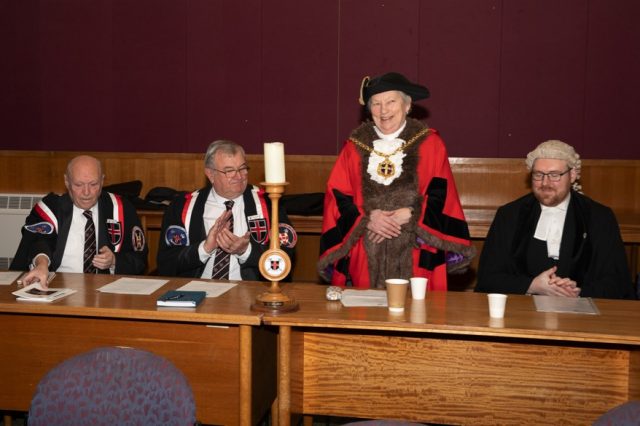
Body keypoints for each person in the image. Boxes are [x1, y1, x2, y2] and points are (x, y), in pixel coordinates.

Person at [317, 72, 475, 289]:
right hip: (365, 248)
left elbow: (442, 194)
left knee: (419, 307)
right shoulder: (353, 148)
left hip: (417, 247)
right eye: (376, 104)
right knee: (363, 307)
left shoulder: (430, 144)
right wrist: (366, 218)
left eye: (391, 102)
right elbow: (338, 197)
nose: (383, 110)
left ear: (407, 105)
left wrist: (413, 214)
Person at [475, 140, 635, 299]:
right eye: (538, 175)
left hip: (582, 311)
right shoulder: (509, 215)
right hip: (522, 307)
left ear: (572, 175)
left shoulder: (599, 217)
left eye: (554, 175)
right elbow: (488, 277)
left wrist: (577, 293)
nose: (545, 183)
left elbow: (617, 282)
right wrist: (532, 285)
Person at [157, 139, 296, 280]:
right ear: (210, 174)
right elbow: (166, 264)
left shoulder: (269, 203)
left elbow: (286, 258)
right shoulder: (182, 207)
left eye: (242, 168)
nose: (239, 176)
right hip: (197, 288)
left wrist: (245, 251)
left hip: (251, 289)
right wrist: (204, 249)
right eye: (229, 171)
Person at [11, 155, 148, 286]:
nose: (86, 192)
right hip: (57, 286)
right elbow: (38, 241)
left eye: (93, 184)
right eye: (78, 184)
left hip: (107, 290)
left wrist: (114, 261)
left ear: (102, 181)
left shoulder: (121, 209)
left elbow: (140, 258)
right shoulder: (50, 209)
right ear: (67, 182)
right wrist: (42, 264)